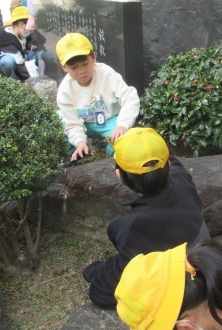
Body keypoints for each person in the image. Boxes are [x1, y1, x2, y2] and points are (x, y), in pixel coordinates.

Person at [83, 127, 209, 309]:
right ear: (168, 165)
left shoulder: (136, 226)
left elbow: (115, 277)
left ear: (119, 175)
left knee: (97, 293)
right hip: (193, 237)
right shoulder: (180, 176)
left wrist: (95, 271)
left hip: (183, 271)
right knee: (115, 227)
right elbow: (171, 159)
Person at [56, 33, 140, 160]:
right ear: (64, 67)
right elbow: (72, 123)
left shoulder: (106, 74)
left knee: (123, 143)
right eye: (73, 68)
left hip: (109, 120)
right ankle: (77, 153)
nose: (81, 71)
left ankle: (110, 153)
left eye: (85, 64)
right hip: (83, 123)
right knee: (57, 121)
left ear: (94, 57)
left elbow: (129, 97)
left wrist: (122, 125)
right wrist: (79, 142)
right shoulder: (65, 90)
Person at [0, 6, 41, 81]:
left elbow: (29, 38)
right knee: (8, 61)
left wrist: (31, 45)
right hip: (6, 61)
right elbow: (20, 64)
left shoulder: (20, 32)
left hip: (19, 57)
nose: (31, 30)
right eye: (30, 27)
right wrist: (31, 80)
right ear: (21, 24)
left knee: (33, 53)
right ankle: (13, 82)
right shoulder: (6, 39)